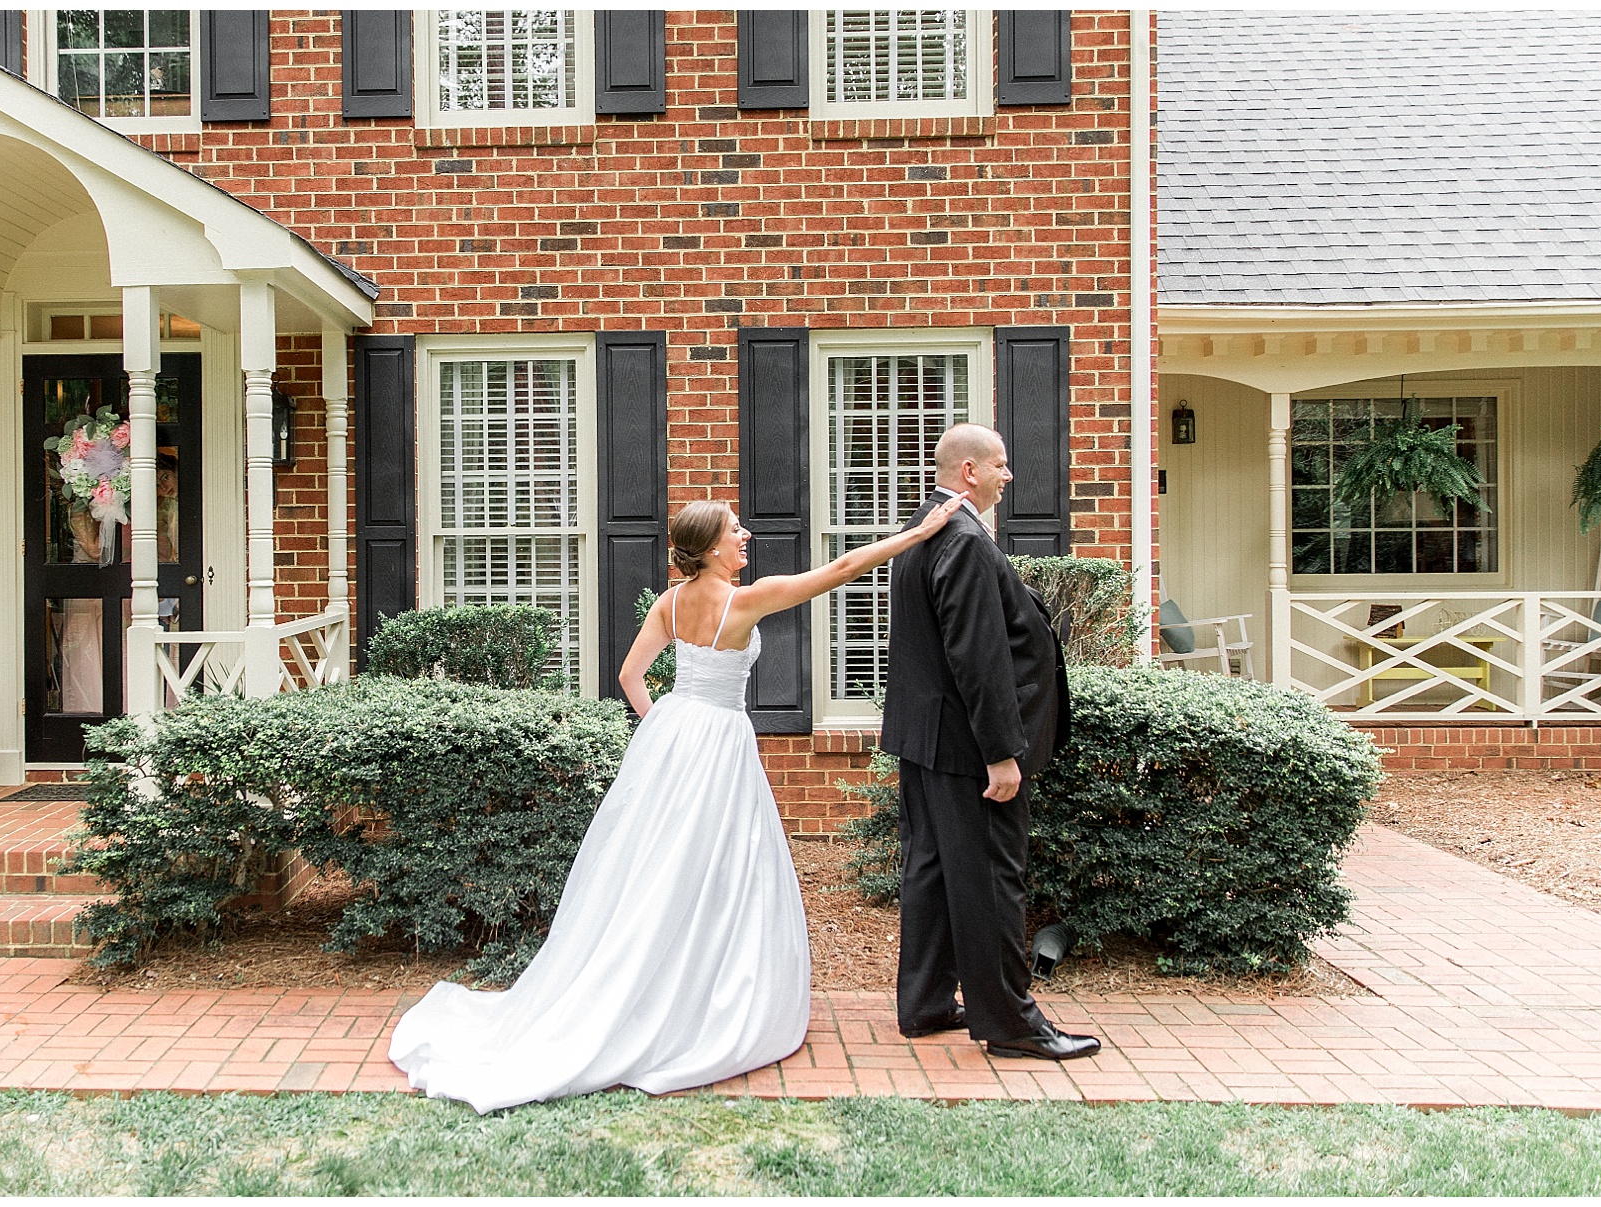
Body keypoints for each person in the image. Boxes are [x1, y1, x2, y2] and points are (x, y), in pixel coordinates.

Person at [388, 490, 970, 1112]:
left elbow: (629, 677)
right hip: (718, 743)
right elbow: (839, 571)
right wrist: (918, 534)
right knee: (718, 866)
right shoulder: (742, 603)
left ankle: (668, 983)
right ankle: (698, 1000)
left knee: (659, 867)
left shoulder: (670, 603)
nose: (746, 535)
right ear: (712, 548)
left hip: (672, 737)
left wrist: (664, 725)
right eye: (735, 530)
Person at [880, 423, 1102, 1062]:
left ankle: (923, 1003)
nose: (1009, 476)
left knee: (931, 869)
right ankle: (1010, 1021)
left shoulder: (926, 528)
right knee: (992, 878)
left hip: (926, 739)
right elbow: (977, 656)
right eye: (1000, 465)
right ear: (970, 470)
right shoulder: (965, 539)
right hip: (966, 750)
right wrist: (1002, 753)